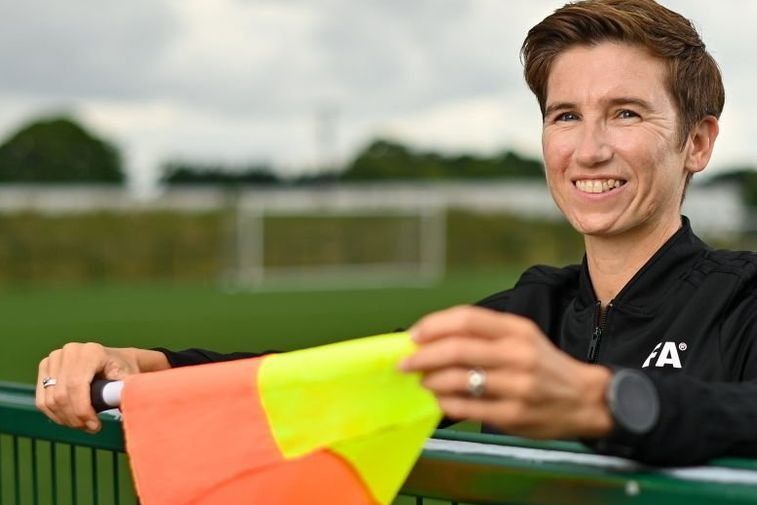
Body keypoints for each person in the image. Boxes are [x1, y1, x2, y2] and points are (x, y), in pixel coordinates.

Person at [35, 0, 757, 465]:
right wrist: (143, 365)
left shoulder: (741, 297)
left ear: (696, 143)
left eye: (626, 114)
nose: (589, 149)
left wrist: (605, 400)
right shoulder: (522, 315)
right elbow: (313, 380)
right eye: (564, 115)